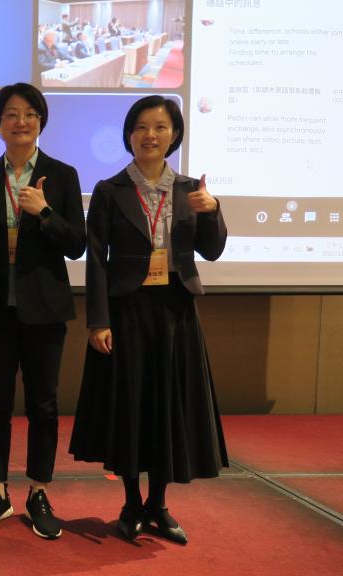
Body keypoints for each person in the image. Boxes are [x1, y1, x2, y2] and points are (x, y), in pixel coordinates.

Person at [69, 95, 228, 545]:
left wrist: (212, 210)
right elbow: (96, 260)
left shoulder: (191, 190)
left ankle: (158, 503)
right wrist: (98, 321)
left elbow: (212, 250)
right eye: (141, 127)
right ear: (129, 135)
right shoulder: (110, 189)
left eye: (160, 127)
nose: (150, 135)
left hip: (176, 313)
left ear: (174, 134)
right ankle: (131, 503)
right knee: (131, 406)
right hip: (127, 312)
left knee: (167, 407)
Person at [0, 84, 86, 540]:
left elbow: (77, 245)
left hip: (45, 311)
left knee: (43, 405)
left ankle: (38, 491)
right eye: (11, 114)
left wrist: (45, 212)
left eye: (30, 113)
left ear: (41, 121)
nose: (21, 122)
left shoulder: (62, 175)